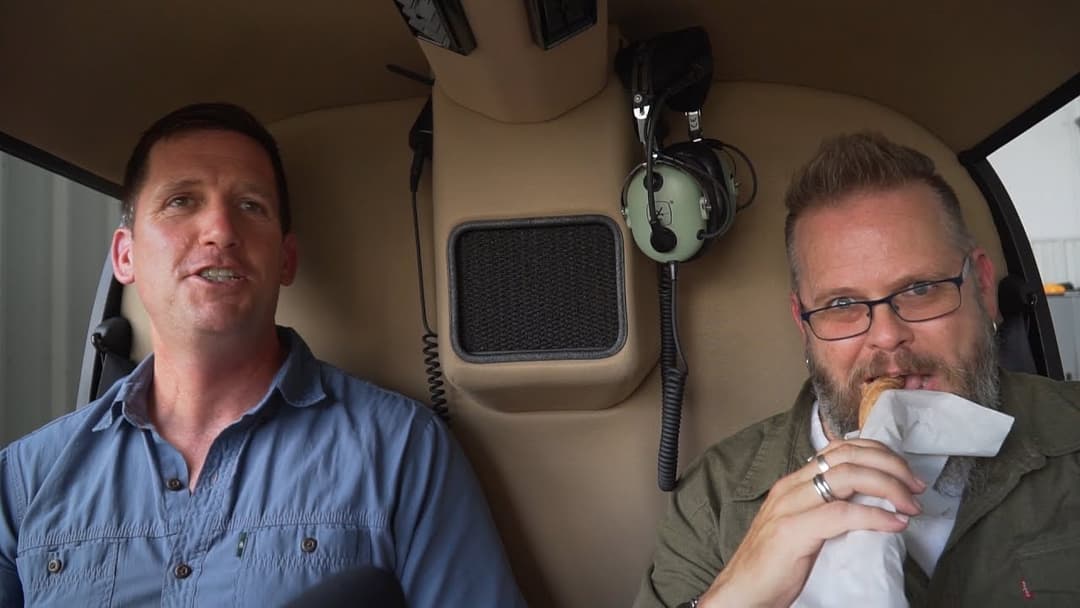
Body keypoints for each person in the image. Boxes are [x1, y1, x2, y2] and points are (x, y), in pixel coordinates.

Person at [0, 103, 525, 607]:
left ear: (286, 260)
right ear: (125, 255)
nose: (222, 231)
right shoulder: (25, 479)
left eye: (251, 206)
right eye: (182, 200)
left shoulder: (402, 451)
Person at [634, 132, 1080, 607]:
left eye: (921, 289)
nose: (887, 336)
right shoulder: (716, 500)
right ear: (803, 324)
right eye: (842, 304)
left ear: (984, 286)